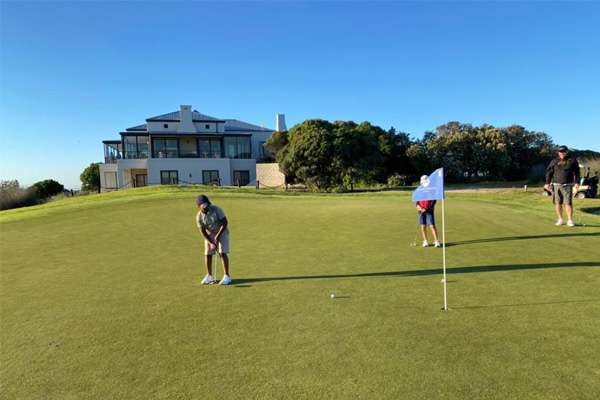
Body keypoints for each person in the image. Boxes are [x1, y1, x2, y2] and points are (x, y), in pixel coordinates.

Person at [196, 195, 232, 285]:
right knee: (207, 253)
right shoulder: (199, 217)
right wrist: (210, 242)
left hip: (222, 231)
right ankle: (209, 275)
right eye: (204, 206)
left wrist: (218, 236)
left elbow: (225, 222)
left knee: (222, 252)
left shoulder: (216, 209)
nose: (206, 207)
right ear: (199, 206)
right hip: (210, 234)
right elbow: (203, 231)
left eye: (207, 205)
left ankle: (227, 276)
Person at [544, 145, 580, 227]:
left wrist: (577, 182)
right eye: (560, 151)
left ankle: (570, 220)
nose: (562, 153)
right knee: (557, 203)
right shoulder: (554, 161)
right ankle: (560, 219)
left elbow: (577, 172)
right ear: (558, 152)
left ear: (567, 152)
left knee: (568, 203)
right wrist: (547, 183)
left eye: (564, 151)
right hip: (556, 185)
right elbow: (549, 172)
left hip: (568, 184)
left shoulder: (572, 160)